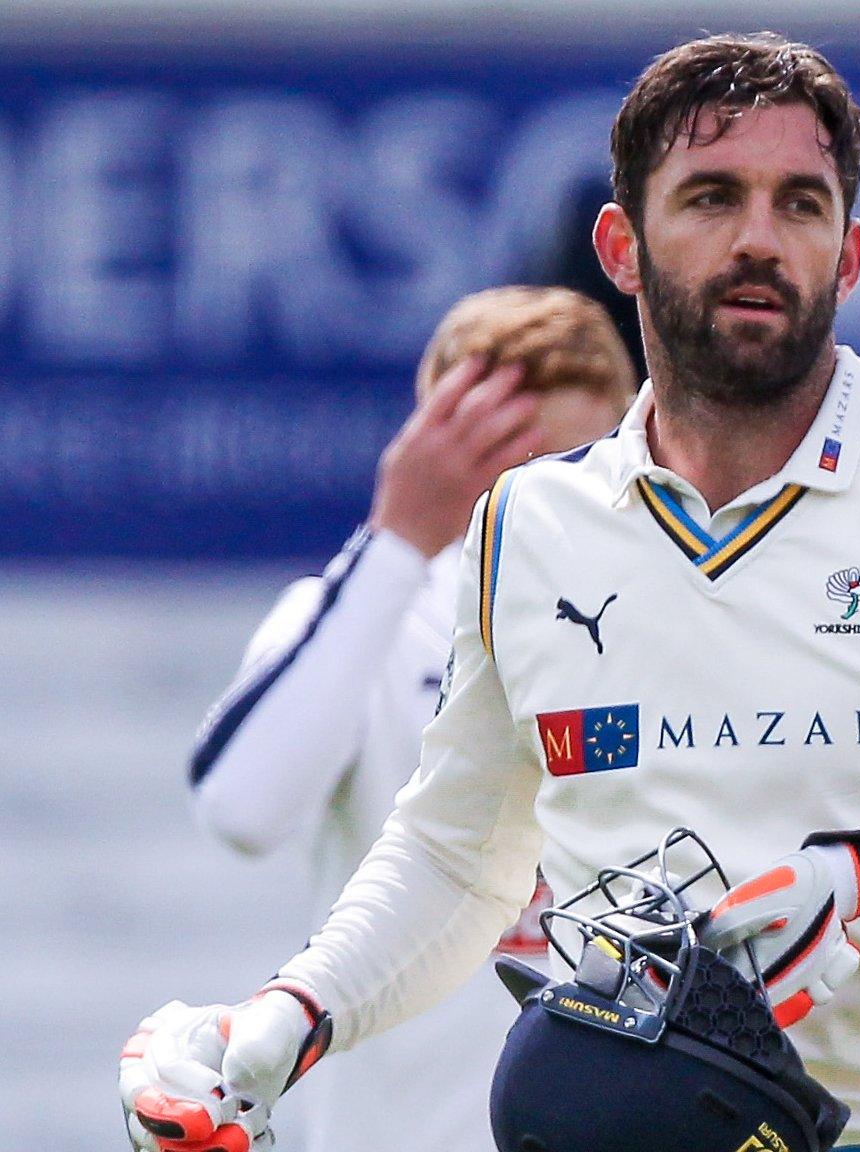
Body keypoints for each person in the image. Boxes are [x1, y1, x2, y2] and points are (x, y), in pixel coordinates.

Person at [123, 32, 860, 1152]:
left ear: (847, 256)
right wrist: (288, 1019)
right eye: (709, 198)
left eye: (801, 204)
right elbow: (456, 861)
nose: (758, 238)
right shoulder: (527, 523)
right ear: (623, 246)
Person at [180, 285, 640, 1152]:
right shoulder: (374, 619)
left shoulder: (680, 624)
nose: (539, 515)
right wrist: (396, 539)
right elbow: (242, 808)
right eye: (508, 473)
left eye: (576, 470)